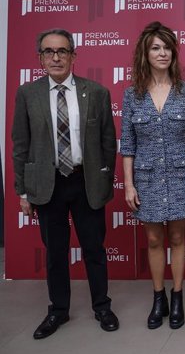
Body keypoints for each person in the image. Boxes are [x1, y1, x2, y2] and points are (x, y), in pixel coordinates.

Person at [12, 28, 119, 338]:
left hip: (85, 182)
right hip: (48, 185)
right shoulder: (28, 94)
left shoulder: (96, 92)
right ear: (40, 59)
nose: (55, 57)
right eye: (49, 52)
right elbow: (21, 144)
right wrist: (22, 189)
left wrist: (103, 176)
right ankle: (58, 310)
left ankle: (102, 306)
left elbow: (108, 142)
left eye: (62, 51)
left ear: (74, 55)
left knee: (94, 250)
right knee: (55, 253)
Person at [120, 22, 185, 330]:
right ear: (145, 53)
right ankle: (159, 298)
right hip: (147, 178)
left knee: (178, 237)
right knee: (155, 240)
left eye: (167, 47)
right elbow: (127, 143)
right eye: (156, 47)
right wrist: (129, 184)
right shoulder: (132, 95)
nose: (162, 53)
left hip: (181, 176)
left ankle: (178, 295)